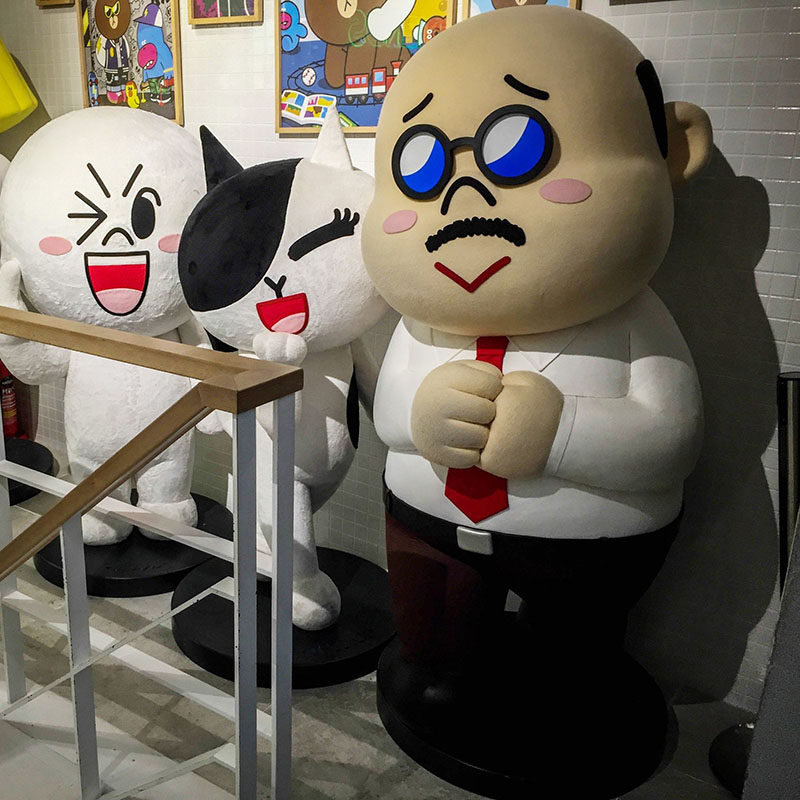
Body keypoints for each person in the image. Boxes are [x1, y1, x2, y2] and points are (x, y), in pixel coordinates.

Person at [362, 6, 713, 797]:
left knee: (571, 663)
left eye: (516, 149)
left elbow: (672, 436)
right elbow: (389, 416)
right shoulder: (420, 325)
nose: (464, 195)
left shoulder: (636, 322)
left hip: (589, 550)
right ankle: (439, 673)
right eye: (421, 167)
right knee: (436, 642)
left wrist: (564, 432)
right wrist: (419, 415)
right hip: (428, 525)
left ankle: (564, 698)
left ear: (671, 151)